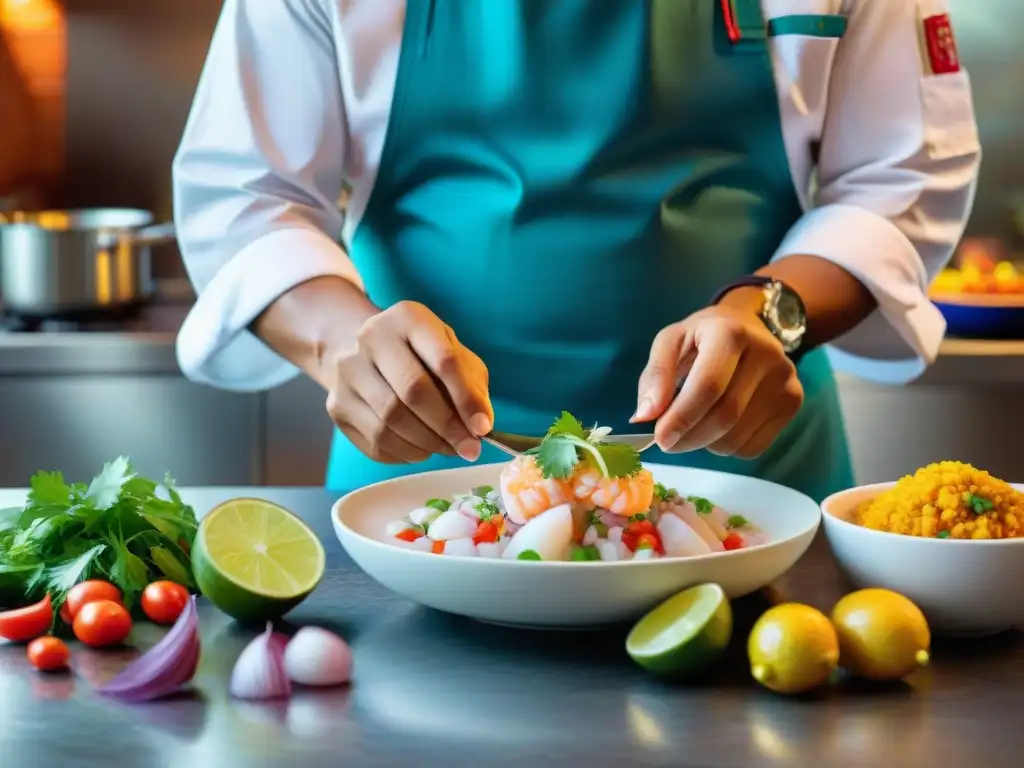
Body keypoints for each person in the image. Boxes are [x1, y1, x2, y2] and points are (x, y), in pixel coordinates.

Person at [172, 0, 981, 502]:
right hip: (423, 493)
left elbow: (898, 178)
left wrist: (772, 319)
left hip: (747, 483)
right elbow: (248, 198)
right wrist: (347, 344)